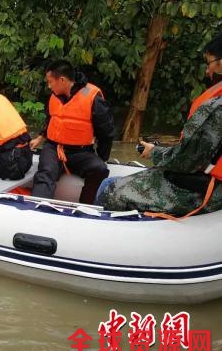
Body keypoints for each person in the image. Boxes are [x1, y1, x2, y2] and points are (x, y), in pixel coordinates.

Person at [96, 34, 222, 217]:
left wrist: (154, 152)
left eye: (209, 63)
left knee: (109, 188)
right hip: (206, 179)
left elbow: (186, 161)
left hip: (207, 190)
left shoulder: (215, 108)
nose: (207, 71)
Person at [29, 59, 114, 204]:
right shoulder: (55, 95)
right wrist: (40, 138)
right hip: (53, 148)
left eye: (50, 82)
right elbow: (52, 119)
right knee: (46, 172)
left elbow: (106, 132)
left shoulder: (93, 98)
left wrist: (102, 157)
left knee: (100, 169)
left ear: (62, 80)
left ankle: (85, 208)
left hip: (80, 152)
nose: (49, 86)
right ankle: (38, 208)